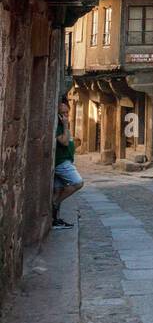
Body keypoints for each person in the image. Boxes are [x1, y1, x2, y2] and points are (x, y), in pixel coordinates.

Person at [53, 97, 83, 228]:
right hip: (61, 163)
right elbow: (64, 142)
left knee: (58, 189)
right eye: (62, 113)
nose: (65, 116)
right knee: (78, 182)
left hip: (66, 161)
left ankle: (55, 220)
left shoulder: (63, 126)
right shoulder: (58, 127)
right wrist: (65, 125)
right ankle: (55, 202)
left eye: (67, 113)